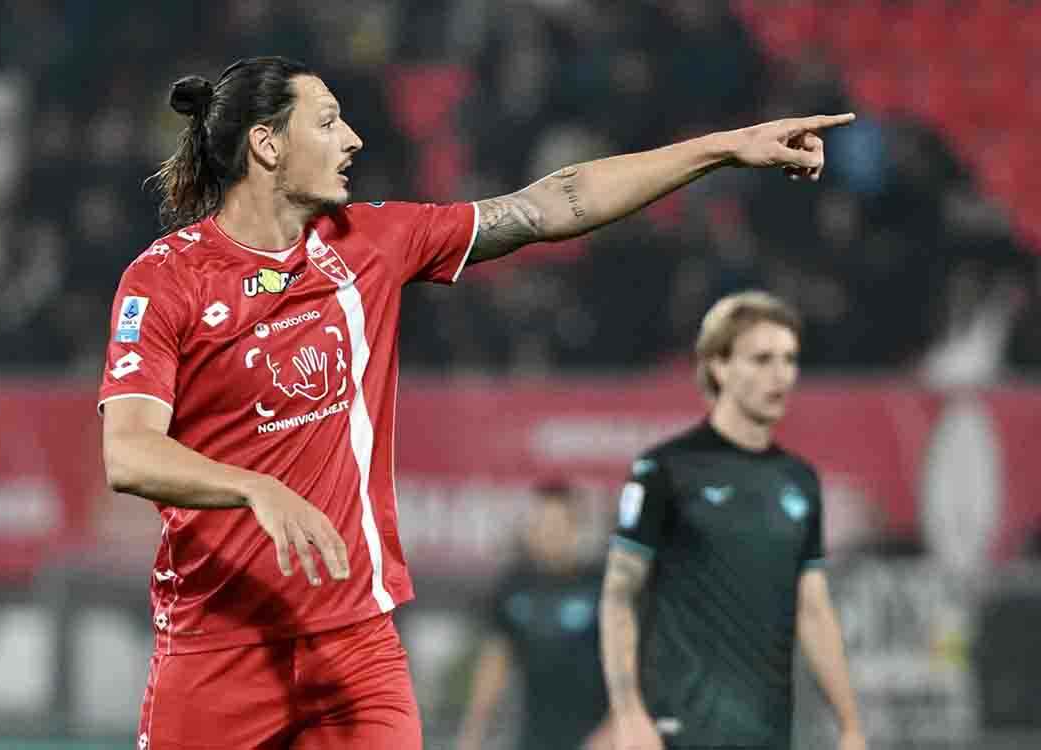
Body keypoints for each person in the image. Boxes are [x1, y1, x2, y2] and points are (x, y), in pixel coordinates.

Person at [97, 55, 852, 750]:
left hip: (355, 645)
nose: (353, 139)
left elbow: (551, 205)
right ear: (266, 145)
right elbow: (128, 453)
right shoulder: (165, 280)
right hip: (218, 647)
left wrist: (725, 148)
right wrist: (253, 488)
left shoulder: (370, 241)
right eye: (327, 122)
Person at [599, 291, 866, 750]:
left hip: (768, 736)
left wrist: (850, 726)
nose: (780, 375)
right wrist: (627, 714)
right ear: (719, 367)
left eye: (789, 359)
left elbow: (814, 609)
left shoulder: (800, 481)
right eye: (762, 359)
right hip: (676, 733)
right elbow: (619, 595)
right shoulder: (664, 470)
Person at [456, 481, 610, 750]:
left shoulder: (602, 586)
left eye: (558, 525)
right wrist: (473, 733)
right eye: (542, 524)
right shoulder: (514, 586)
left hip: (595, 736)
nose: (550, 534)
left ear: (577, 528)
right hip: (532, 736)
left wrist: (615, 725)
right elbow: (496, 660)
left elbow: (629, 664)